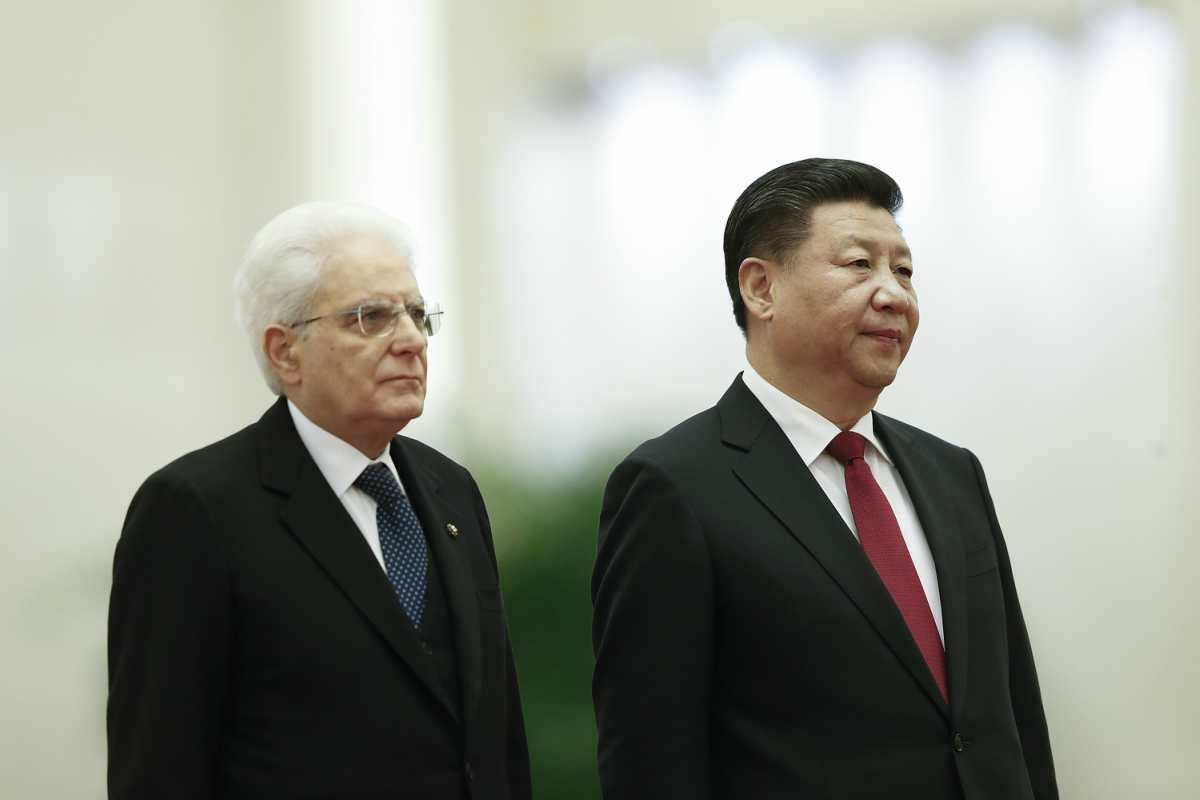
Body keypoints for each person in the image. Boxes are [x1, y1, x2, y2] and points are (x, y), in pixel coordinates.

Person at [592, 158, 1058, 799]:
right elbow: (651, 762)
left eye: (904, 270)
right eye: (859, 264)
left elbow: (1014, 715)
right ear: (761, 288)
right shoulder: (674, 488)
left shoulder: (952, 473)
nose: (893, 294)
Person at [108, 202, 531, 800]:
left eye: (416, 315)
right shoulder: (195, 510)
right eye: (371, 317)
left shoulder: (451, 488)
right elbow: (159, 766)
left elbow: (498, 739)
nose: (412, 340)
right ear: (285, 352)